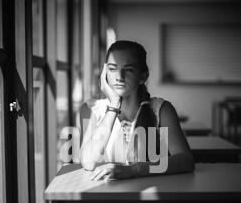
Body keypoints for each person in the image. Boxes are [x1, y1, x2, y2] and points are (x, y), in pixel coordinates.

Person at [79, 40, 195, 181]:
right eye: (112, 68)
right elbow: (88, 162)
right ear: (104, 74)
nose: (119, 77)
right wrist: (114, 106)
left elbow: (186, 160)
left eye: (128, 70)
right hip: (105, 197)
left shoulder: (162, 110)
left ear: (143, 76)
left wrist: (134, 170)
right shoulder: (92, 109)